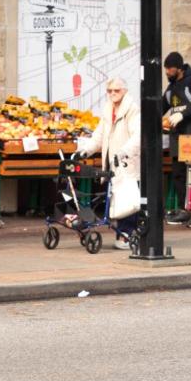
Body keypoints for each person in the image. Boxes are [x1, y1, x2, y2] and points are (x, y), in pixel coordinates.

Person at [77, 77, 142, 251]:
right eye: (109, 91)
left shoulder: (132, 110)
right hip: (111, 163)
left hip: (126, 163)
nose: (113, 93)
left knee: (127, 200)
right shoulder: (108, 110)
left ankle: (127, 235)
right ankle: (122, 233)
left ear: (124, 91)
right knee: (115, 199)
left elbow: (138, 136)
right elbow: (99, 135)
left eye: (117, 90)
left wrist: (124, 152)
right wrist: (85, 150)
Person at [164, 51, 191, 221]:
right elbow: (162, 106)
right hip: (177, 136)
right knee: (178, 174)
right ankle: (185, 210)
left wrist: (182, 114)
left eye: (170, 68)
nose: (167, 72)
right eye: (166, 68)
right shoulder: (171, 88)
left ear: (179, 68)